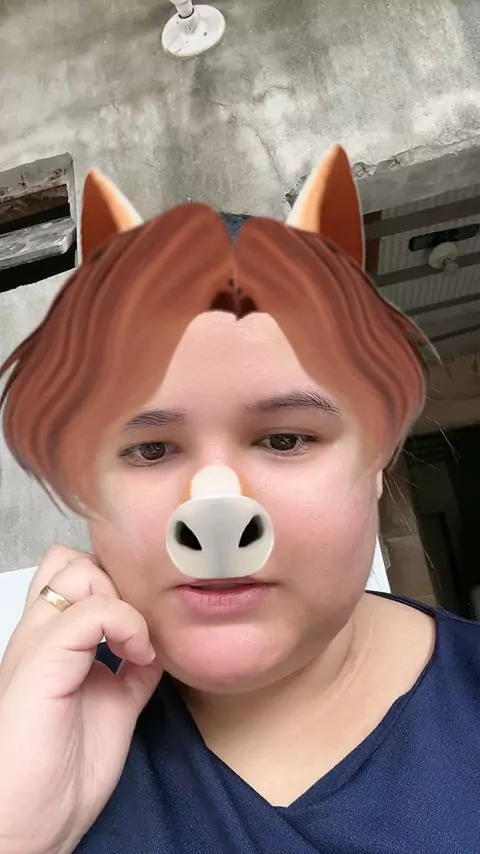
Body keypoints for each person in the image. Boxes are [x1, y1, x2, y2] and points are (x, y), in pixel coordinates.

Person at [0, 146, 477, 854]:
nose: (216, 516)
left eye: (285, 439)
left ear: (378, 456)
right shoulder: (32, 743)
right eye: (150, 450)